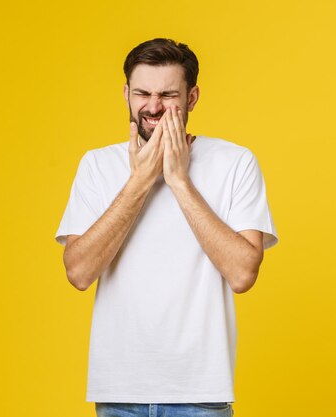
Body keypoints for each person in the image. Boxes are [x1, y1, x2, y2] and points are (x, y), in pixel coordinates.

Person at [55, 38, 278, 417]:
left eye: (168, 94)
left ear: (192, 97)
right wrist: (140, 181)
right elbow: (78, 271)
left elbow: (243, 273)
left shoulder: (235, 162)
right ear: (126, 93)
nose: (153, 106)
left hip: (200, 394)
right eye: (142, 93)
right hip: (119, 394)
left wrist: (178, 181)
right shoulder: (96, 165)